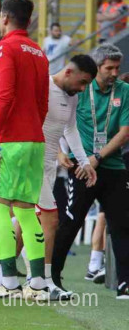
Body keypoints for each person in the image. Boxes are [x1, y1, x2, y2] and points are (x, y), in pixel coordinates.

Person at [0, 0, 50, 300]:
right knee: (27, 210)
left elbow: (3, 96)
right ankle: (39, 284)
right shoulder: (39, 52)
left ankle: (8, 283)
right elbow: (42, 103)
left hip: (10, 141)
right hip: (34, 140)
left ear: (4, 17)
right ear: (28, 20)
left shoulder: (4, 48)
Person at [52, 44, 129, 300]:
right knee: (70, 222)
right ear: (96, 68)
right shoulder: (80, 89)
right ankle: (52, 278)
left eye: (118, 67)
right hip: (82, 168)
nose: (115, 73)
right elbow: (63, 124)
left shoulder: (125, 91)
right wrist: (63, 153)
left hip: (113, 166)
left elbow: (125, 132)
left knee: (122, 225)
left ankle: (124, 283)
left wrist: (97, 157)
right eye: (110, 68)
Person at [32, 55, 98, 300]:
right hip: (32, 162)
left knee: (26, 221)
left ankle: (3, 275)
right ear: (69, 72)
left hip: (49, 165)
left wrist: (84, 162)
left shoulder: (72, 96)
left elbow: (70, 129)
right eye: (82, 82)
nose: (82, 89)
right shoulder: (41, 86)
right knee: (50, 220)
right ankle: (44, 281)